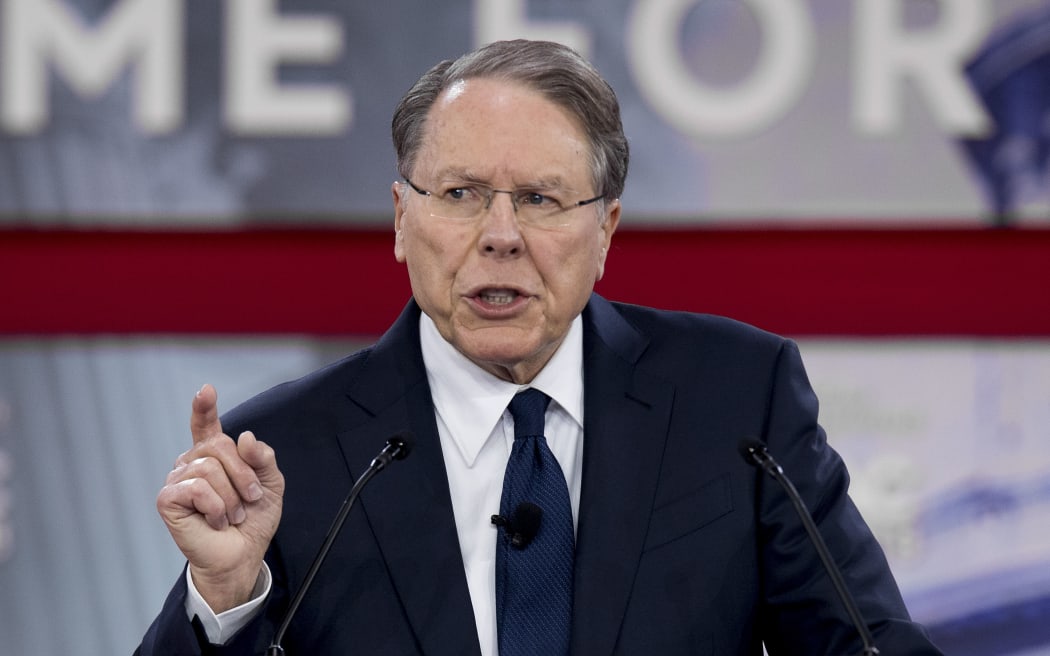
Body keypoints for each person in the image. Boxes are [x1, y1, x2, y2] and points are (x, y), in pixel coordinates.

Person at [136, 39, 943, 655]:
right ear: (400, 219)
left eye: (542, 199)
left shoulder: (735, 398)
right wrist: (224, 594)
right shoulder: (286, 453)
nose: (501, 237)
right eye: (459, 195)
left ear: (605, 231)